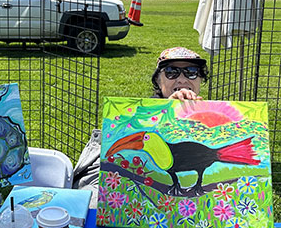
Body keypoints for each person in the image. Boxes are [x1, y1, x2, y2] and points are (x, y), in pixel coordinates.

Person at [73, 46, 208, 201]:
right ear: (158, 80)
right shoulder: (142, 114)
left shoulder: (211, 117)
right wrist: (166, 110)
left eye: (191, 72)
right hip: (108, 172)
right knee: (91, 201)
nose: (182, 79)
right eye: (171, 72)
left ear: (200, 79)